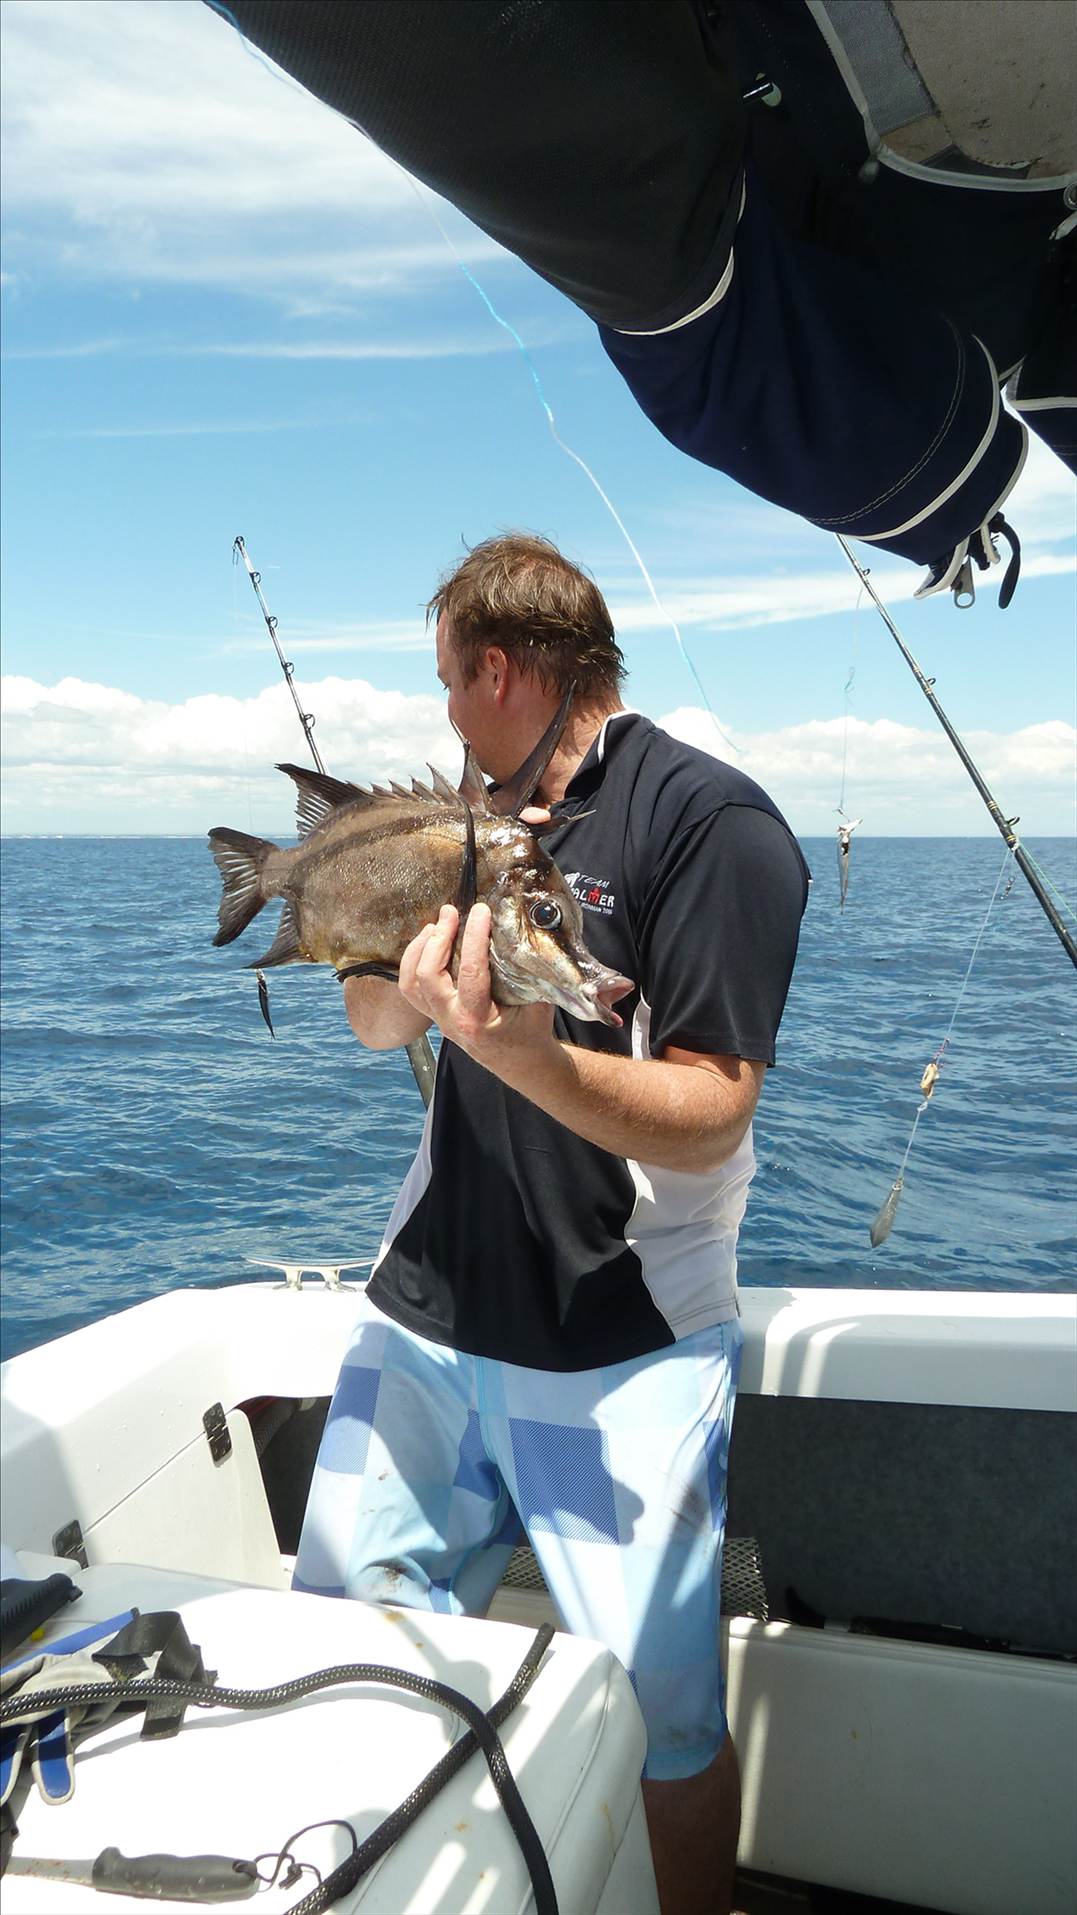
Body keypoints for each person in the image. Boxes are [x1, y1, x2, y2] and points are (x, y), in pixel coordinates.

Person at [293, 532, 809, 1915]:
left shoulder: (712, 825)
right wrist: (387, 953)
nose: (447, 716)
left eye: (447, 684)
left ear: (499, 670)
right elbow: (372, 1025)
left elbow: (711, 1112)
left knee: (662, 1719)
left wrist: (521, 1051)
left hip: (615, 1346)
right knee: (343, 1649)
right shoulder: (460, 821)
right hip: (421, 1319)